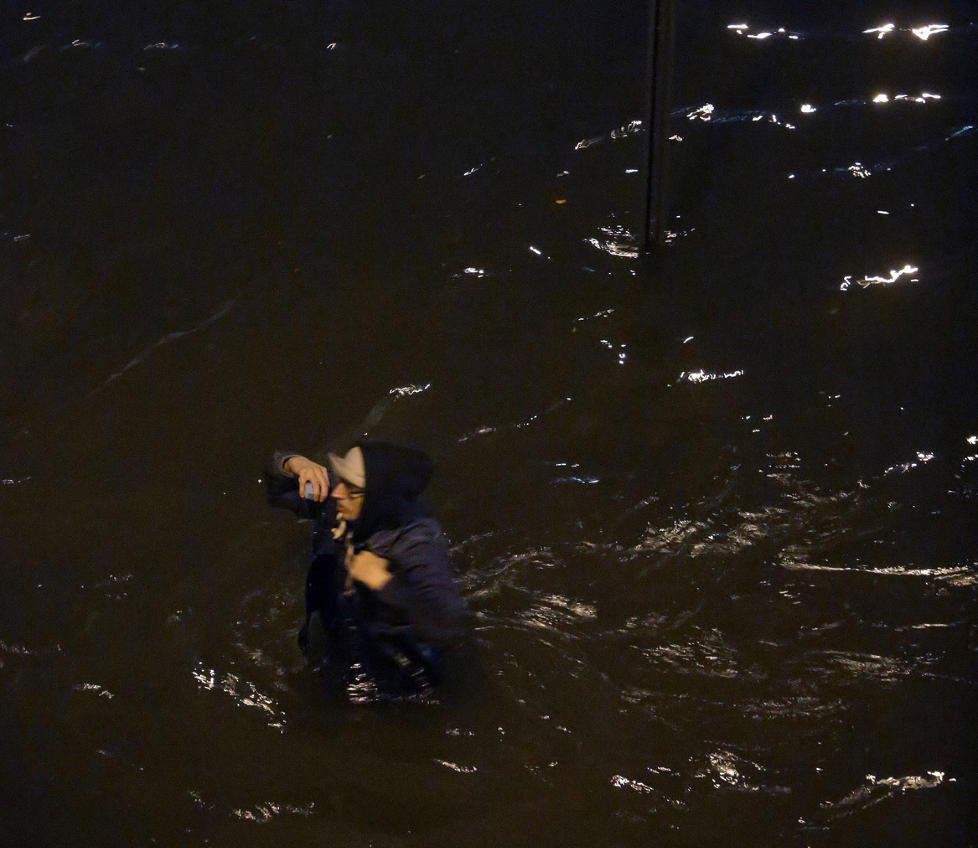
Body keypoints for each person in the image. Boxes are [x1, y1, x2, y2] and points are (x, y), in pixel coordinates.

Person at [266, 440, 472, 698]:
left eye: (351, 489)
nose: (337, 492)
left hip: (393, 670)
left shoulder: (416, 547)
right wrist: (295, 464)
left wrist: (383, 583)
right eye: (339, 479)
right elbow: (275, 489)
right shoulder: (343, 497)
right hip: (337, 627)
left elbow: (447, 626)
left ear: (376, 499)